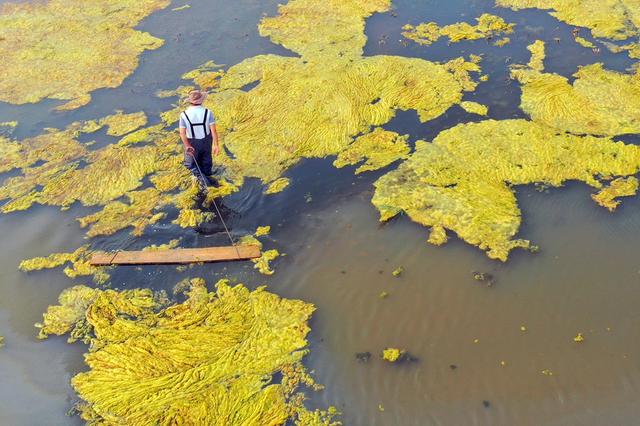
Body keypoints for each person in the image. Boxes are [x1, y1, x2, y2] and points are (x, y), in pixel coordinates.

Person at [178, 90, 220, 186]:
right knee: (206, 161)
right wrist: (216, 145)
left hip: (192, 142)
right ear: (202, 100)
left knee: (190, 164)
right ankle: (208, 176)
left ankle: (204, 182)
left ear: (190, 101)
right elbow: (213, 131)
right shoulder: (208, 112)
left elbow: (182, 133)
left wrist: (187, 146)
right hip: (206, 141)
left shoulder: (184, 115)